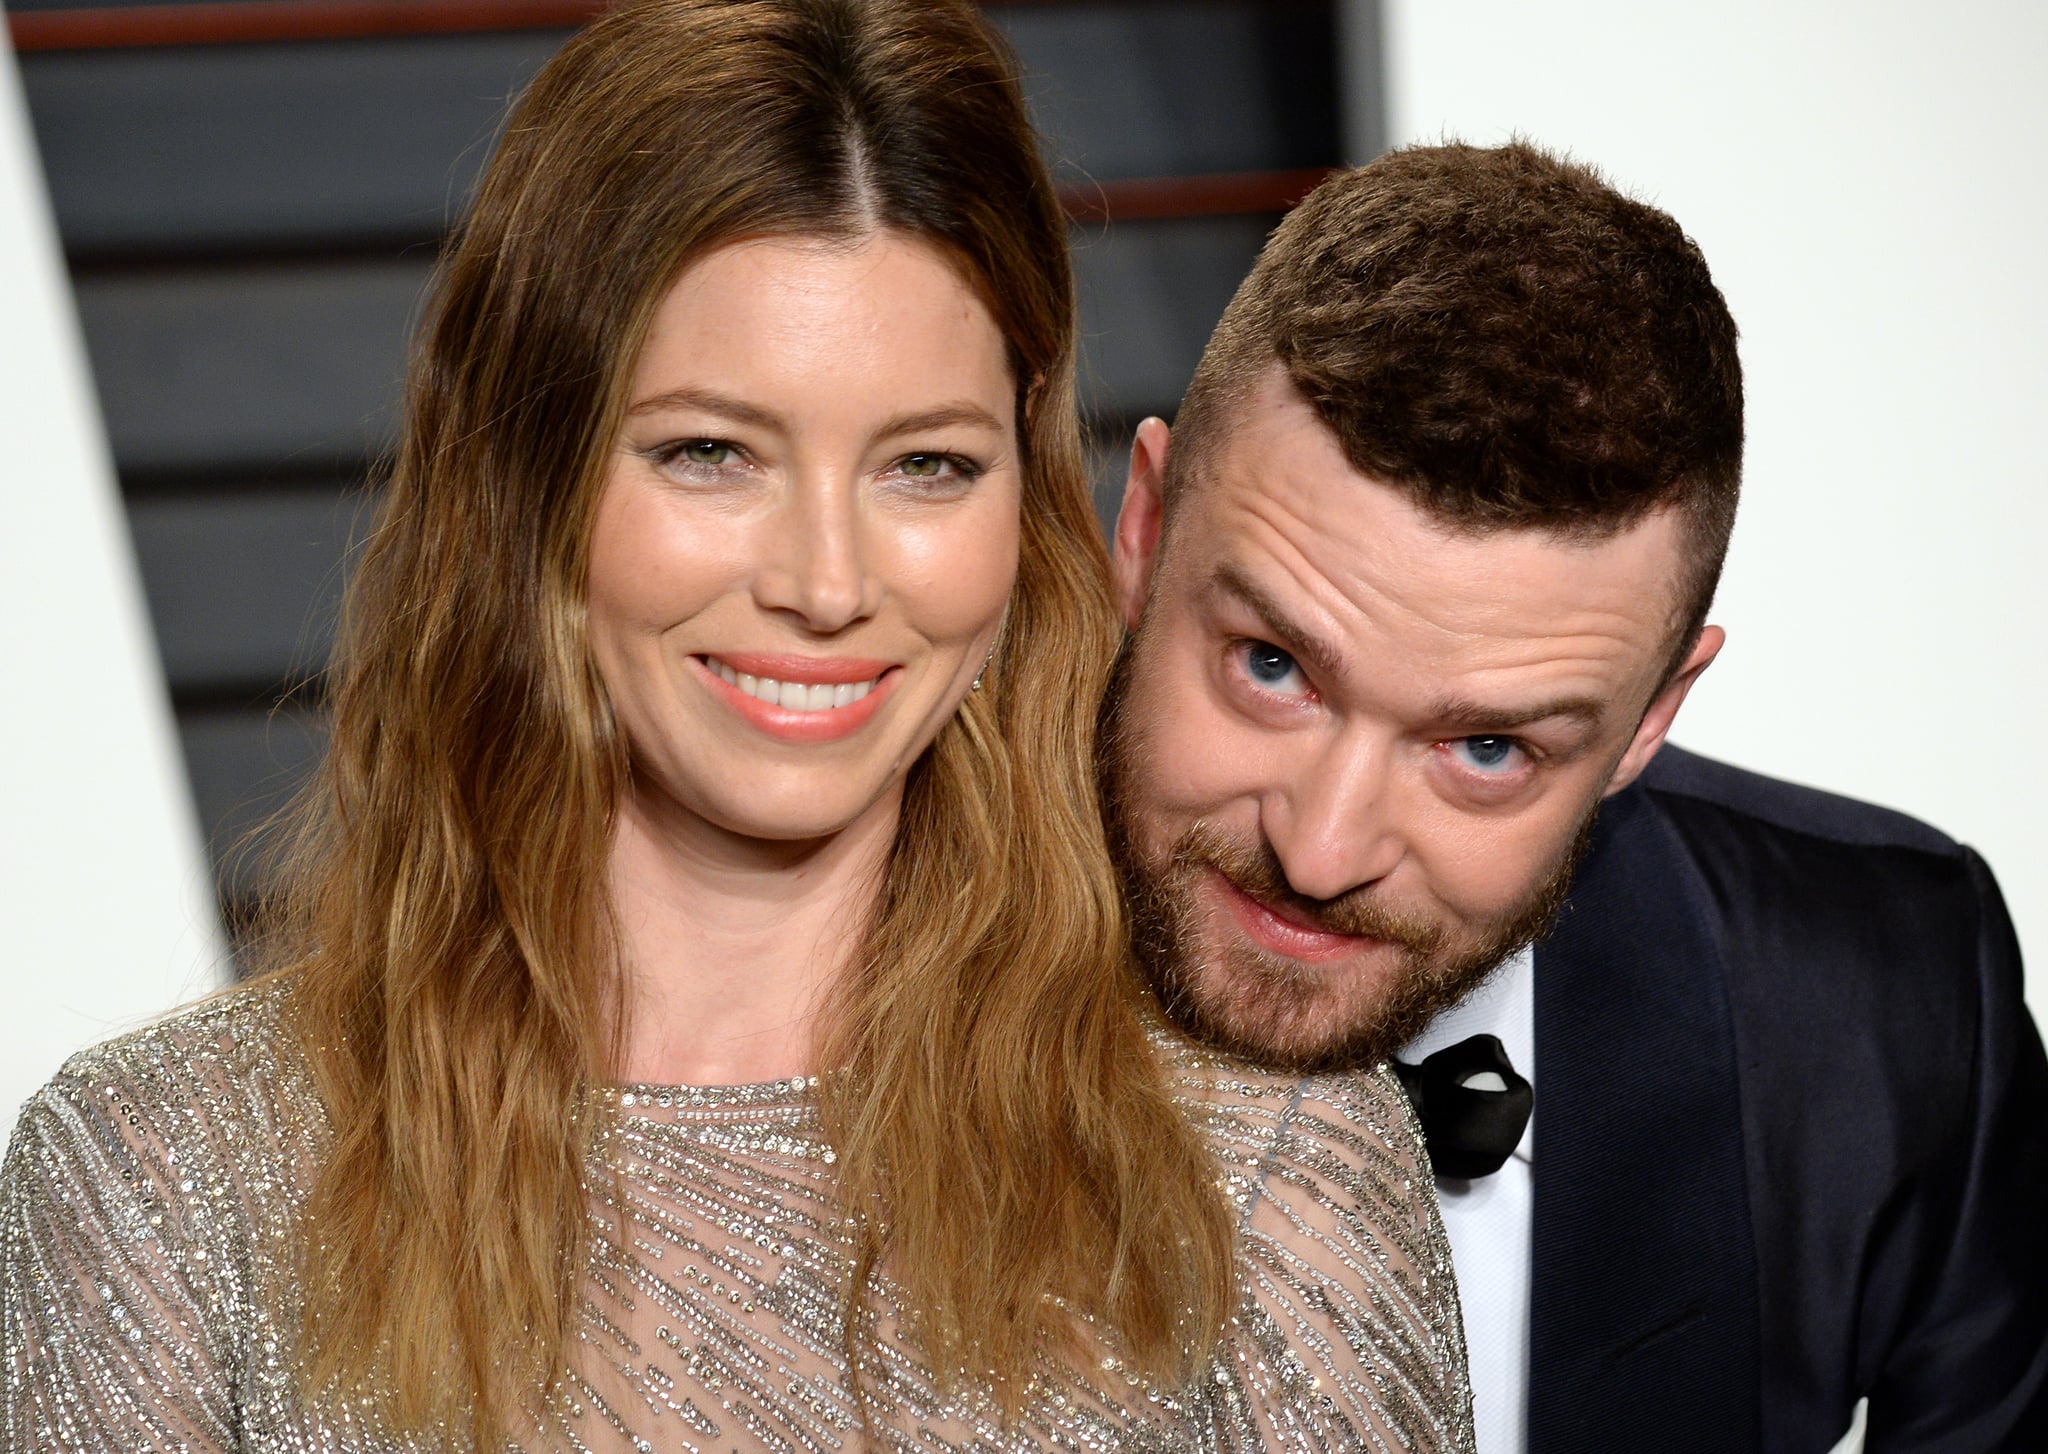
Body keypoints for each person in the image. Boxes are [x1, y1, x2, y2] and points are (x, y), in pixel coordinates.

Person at [0, 2, 1474, 1450]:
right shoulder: (165, 1180)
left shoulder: (1260, 1170)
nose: (825, 584)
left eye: (926, 465)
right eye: (711, 453)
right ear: (528, 480)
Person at [1101, 140, 2048, 1453]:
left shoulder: (1879, 997)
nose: (1320, 850)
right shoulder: (823, 936)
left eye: (1485, 749)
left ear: (1651, 720)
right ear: (1142, 532)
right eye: (1272, 668)